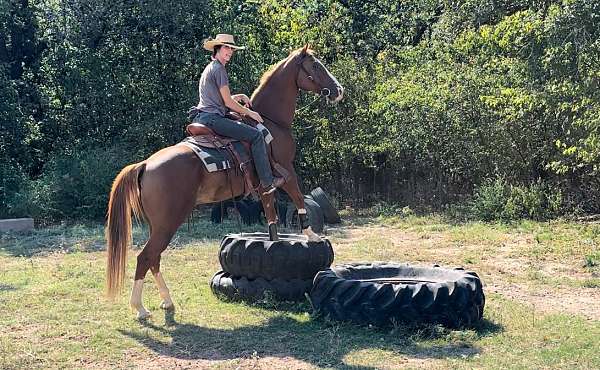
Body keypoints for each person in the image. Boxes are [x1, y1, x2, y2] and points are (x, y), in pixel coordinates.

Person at [193, 33, 284, 194]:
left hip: (204, 116)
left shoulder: (211, 68)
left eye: (232, 49)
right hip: (213, 119)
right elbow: (227, 103)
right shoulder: (219, 69)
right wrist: (250, 113)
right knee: (256, 136)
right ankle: (267, 182)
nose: (230, 51)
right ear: (217, 49)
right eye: (226, 47)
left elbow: (219, 98)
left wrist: (239, 96)